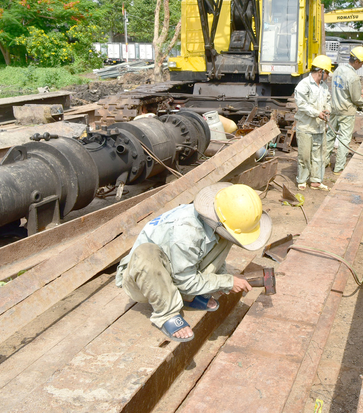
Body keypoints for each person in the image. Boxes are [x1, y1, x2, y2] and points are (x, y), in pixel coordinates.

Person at [115, 183, 272, 342]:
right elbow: (185, 279)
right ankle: (167, 313)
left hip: (175, 268)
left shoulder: (217, 219)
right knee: (146, 254)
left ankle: (187, 296)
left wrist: (223, 279)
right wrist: (228, 281)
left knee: (226, 238)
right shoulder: (187, 231)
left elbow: (217, 254)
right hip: (141, 280)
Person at [325, 46, 363, 174]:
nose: (361, 66)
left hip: (334, 109)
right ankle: (338, 168)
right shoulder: (353, 77)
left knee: (330, 136)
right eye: (361, 63)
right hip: (346, 112)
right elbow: (356, 98)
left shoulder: (338, 70)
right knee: (344, 139)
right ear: (357, 61)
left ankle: (324, 161)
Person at [294, 55, 333, 191]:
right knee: (304, 155)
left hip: (319, 127)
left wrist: (327, 109)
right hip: (306, 127)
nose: (328, 76)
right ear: (320, 72)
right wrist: (317, 113)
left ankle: (316, 180)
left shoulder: (323, 86)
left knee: (319, 156)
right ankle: (302, 180)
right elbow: (302, 104)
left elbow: (328, 99)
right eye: (327, 72)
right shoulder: (303, 85)